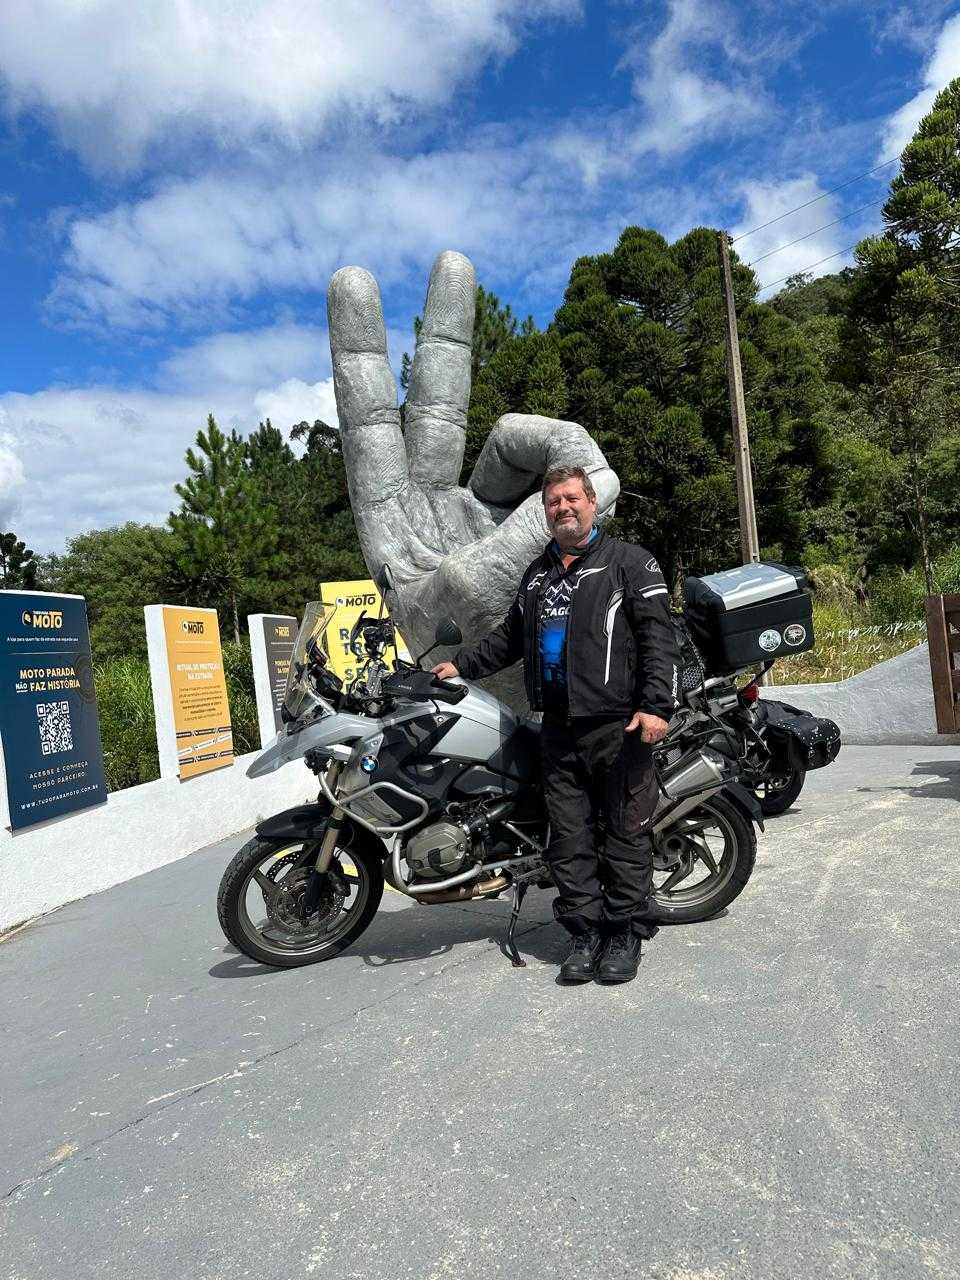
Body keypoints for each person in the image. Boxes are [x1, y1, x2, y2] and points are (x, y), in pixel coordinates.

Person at [432, 465, 680, 984]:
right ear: (546, 513)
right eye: (553, 502)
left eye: (571, 498)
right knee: (569, 839)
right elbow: (509, 638)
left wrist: (656, 705)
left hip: (619, 724)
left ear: (592, 503)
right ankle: (585, 934)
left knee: (624, 835)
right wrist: (460, 665)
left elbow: (659, 639)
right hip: (558, 727)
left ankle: (624, 934)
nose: (563, 507)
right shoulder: (538, 574)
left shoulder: (630, 562)